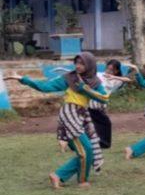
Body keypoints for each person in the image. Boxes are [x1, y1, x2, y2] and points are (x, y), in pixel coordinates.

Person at [6, 52, 109, 188]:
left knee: (89, 151)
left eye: (82, 63)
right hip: (70, 114)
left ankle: (58, 176)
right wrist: (22, 79)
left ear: (90, 65)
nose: (78, 66)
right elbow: (45, 87)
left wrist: (85, 89)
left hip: (82, 116)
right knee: (86, 150)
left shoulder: (95, 81)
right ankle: (82, 181)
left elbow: (104, 98)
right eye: (76, 62)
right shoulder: (69, 78)